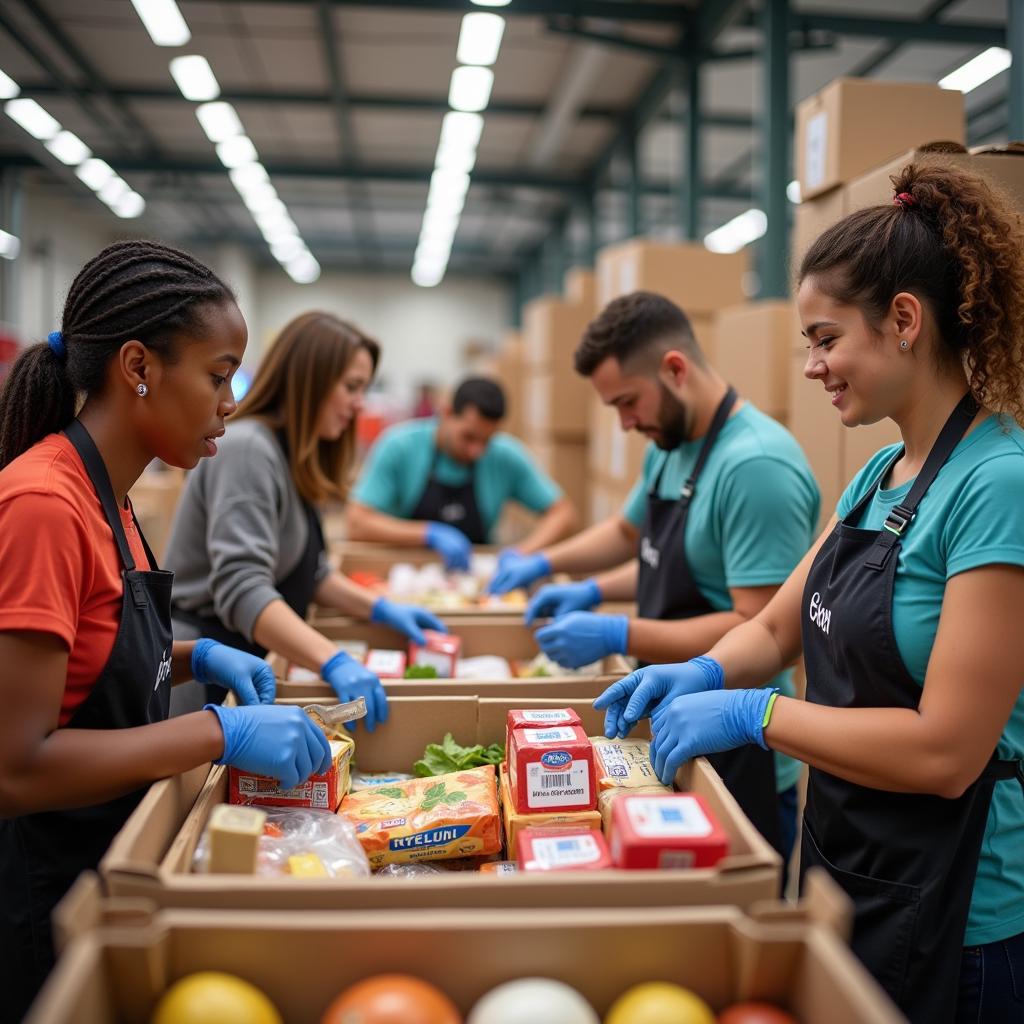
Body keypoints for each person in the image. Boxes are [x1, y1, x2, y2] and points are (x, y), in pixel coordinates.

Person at [597, 164, 1024, 1023]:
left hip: (959, 916)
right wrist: (706, 673)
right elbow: (779, 627)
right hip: (848, 866)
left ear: (904, 321)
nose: (815, 366)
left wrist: (757, 717)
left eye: (827, 338)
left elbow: (947, 754)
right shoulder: (877, 474)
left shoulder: (998, 483)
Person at [0, 242, 333, 1021]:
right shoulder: (44, 506)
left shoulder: (111, 496)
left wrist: (199, 655)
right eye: (218, 376)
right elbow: (15, 767)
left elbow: (91, 656)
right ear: (139, 365)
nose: (230, 401)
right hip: (47, 896)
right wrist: (215, 732)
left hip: (112, 855)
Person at [490, 292, 819, 861]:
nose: (623, 424)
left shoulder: (755, 467)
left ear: (674, 369)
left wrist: (621, 633)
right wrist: (558, 569)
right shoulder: (672, 444)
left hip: (740, 749)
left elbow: (759, 629)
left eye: (627, 402)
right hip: (673, 718)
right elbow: (631, 537)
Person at [166, 312, 447, 728]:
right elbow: (242, 589)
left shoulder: (292, 454)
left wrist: (383, 609)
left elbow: (309, 572)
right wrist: (331, 659)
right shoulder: (248, 450)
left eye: (363, 389)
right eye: (351, 387)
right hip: (204, 674)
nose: (359, 404)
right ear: (309, 380)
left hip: (250, 658)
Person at [347, 376, 578, 571]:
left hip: (473, 577)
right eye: (468, 437)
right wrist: (428, 534)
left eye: (486, 441)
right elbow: (357, 523)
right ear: (447, 413)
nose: (476, 451)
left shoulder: (505, 456)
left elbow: (563, 514)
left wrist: (523, 554)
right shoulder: (400, 447)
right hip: (408, 573)